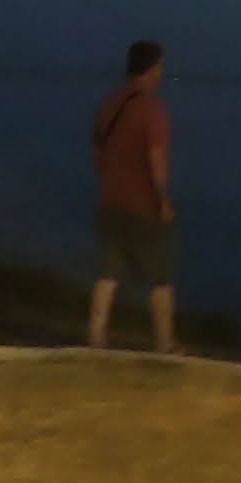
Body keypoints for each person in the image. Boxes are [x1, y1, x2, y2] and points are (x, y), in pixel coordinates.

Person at [85, 40, 175, 354]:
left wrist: (112, 180)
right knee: (160, 276)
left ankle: (96, 337)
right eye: (160, 67)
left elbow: (96, 155)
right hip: (142, 204)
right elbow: (156, 159)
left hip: (109, 200)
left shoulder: (108, 105)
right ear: (153, 68)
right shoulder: (151, 108)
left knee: (107, 272)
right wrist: (162, 199)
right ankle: (164, 343)